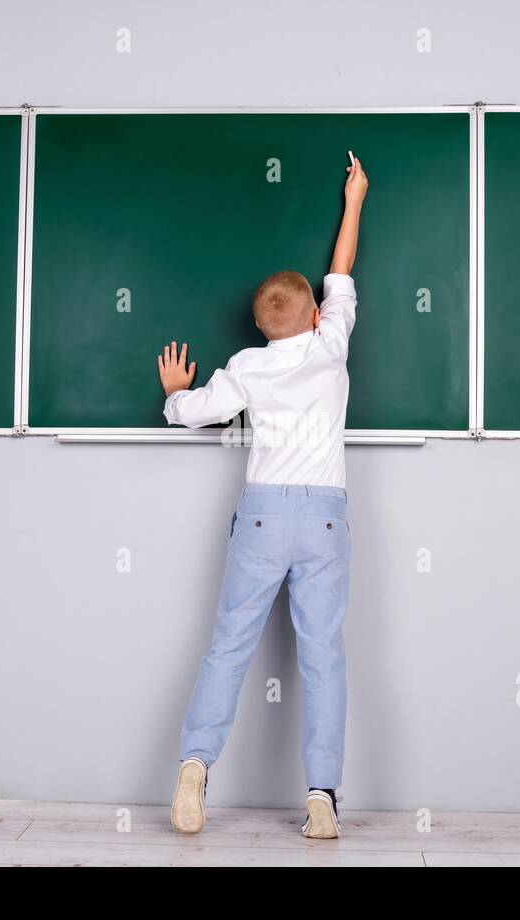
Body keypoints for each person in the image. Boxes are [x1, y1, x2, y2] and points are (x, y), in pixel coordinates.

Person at [157, 156, 369, 839]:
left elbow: (197, 413)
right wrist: (354, 199)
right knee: (323, 655)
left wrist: (174, 394)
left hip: (262, 514)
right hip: (324, 517)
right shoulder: (330, 345)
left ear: (260, 326)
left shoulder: (246, 366)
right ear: (313, 316)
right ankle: (321, 798)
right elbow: (341, 274)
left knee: (228, 647)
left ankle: (194, 767)